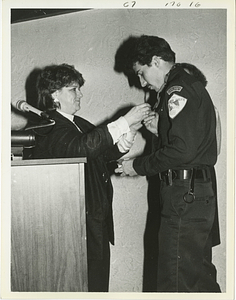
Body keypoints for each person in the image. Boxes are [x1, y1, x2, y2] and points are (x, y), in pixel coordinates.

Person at [23, 63, 151, 292]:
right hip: (72, 227)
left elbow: (104, 151)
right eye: (73, 89)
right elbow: (82, 147)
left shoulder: (77, 123)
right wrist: (123, 121)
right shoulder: (47, 125)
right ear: (54, 94)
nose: (80, 94)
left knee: (97, 285)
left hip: (93, 222)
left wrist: (129, 130)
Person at [115, 35, 221, 292]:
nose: (141, 82)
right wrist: (161, 132)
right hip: (194, 192)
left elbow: (183, 151)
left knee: (175, 280)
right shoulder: (186, 86)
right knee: (198, 278)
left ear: (155, 61)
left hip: (184, 193)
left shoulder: (178, 90)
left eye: (141, 73)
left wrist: (136, 166)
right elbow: (192, 143)